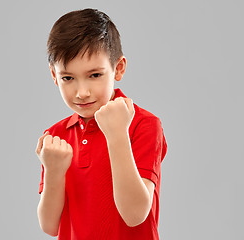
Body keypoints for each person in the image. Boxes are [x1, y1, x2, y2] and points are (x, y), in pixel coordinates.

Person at [35, 8, 167, 240]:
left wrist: (117, 134)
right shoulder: (56, 136)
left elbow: (135, 214)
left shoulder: (144, 124)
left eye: (95, 75)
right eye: (68, 78)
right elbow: (49, 226)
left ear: (118, 68)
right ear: (54, 76)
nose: (82, 92)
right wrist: (54, 171)